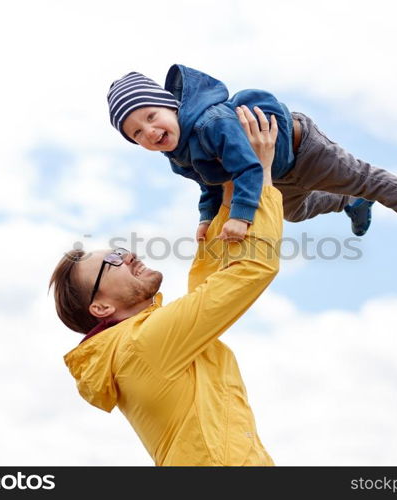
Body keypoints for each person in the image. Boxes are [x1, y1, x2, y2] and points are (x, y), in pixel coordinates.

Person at [50, 106, 282, 466]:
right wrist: (262, 176)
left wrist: (229, 196)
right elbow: (250, 270)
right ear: (101, 308)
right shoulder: (140, 346)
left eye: (120, 250)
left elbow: (208, 286)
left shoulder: (144, 343)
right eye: (111, 262)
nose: (127, 257)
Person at [106, 65, 397, 263]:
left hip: (302, 149)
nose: (149, 131)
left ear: (171, 106)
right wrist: (207, 218)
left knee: (361, 178)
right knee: (293, 212)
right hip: (275, 173)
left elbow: (246, 169)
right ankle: (349, 203)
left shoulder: (211, 122)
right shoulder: (178, 156)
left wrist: (241, 218)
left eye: (151, 116)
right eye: (136, 133)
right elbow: (210, 184)